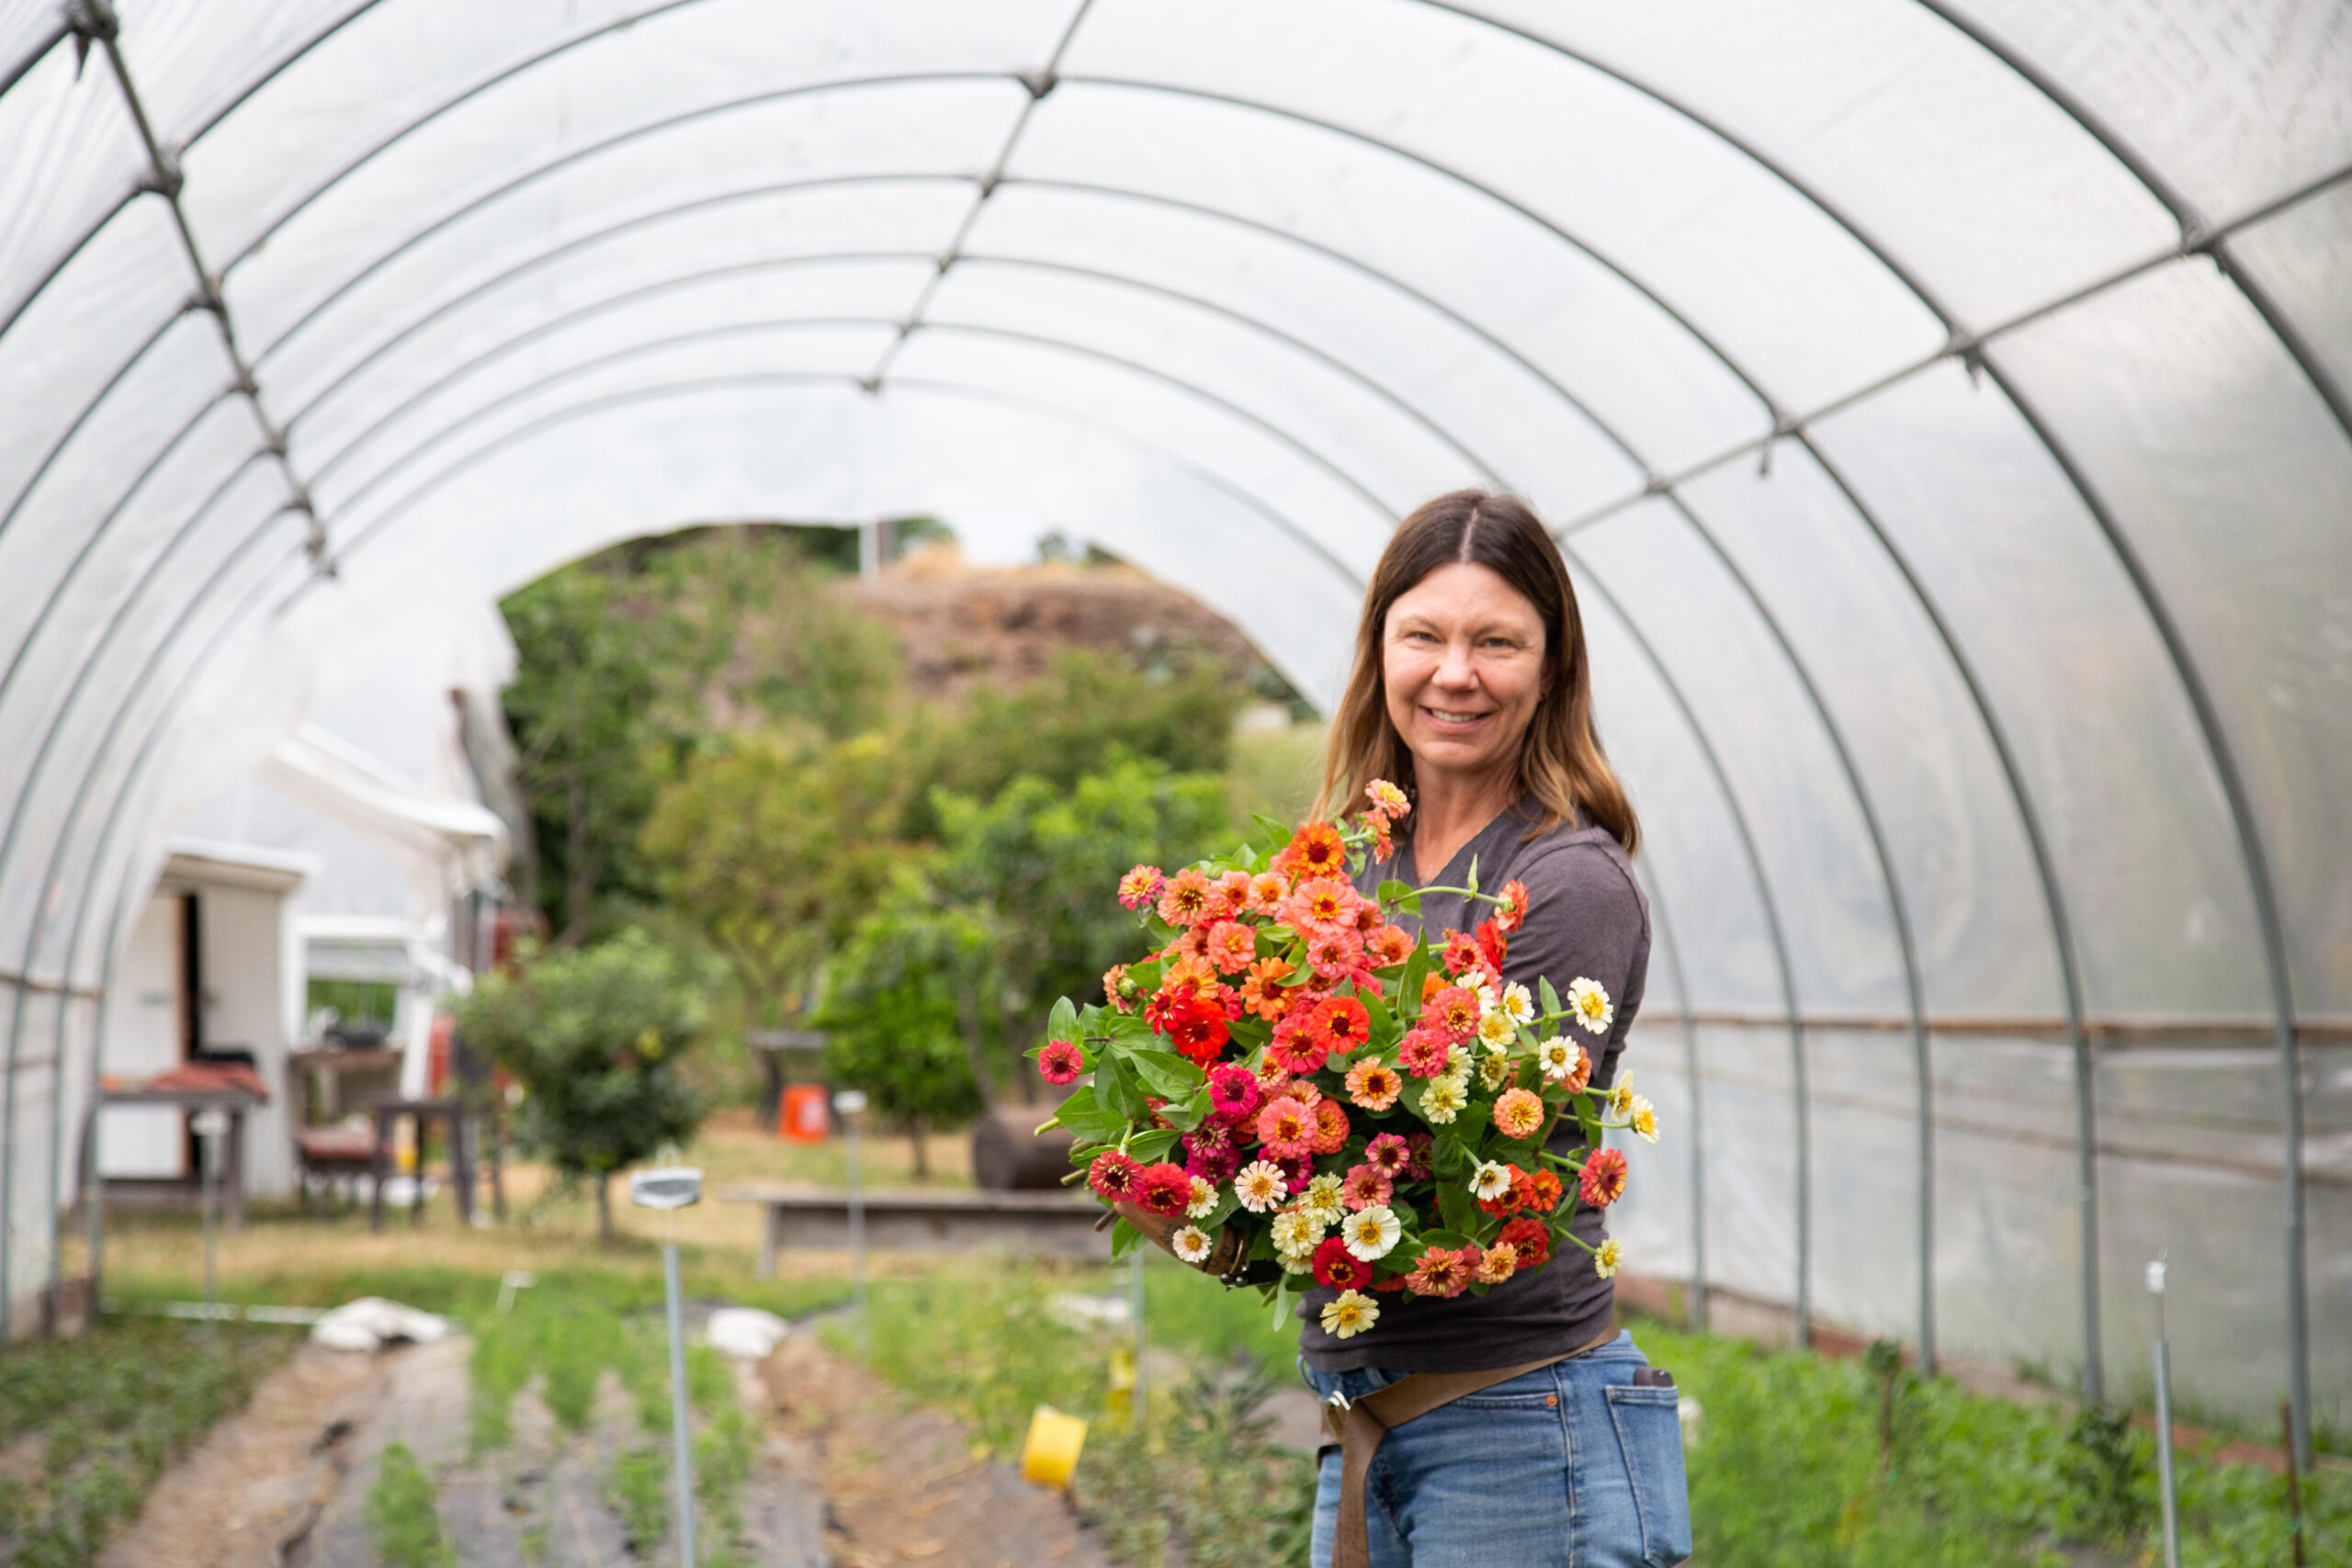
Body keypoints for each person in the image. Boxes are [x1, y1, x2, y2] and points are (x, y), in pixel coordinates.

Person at [1295, 490, 1690, 1567]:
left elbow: (1465, 1172)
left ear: (1552, 669)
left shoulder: (1562, 879)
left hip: (1523, 1431)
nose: (1454, 672)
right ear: (1379, 653)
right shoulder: (1354, 865)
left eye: (1496, 642)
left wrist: (1244, 1174)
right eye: (1422, 634)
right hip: (1369, 1421)